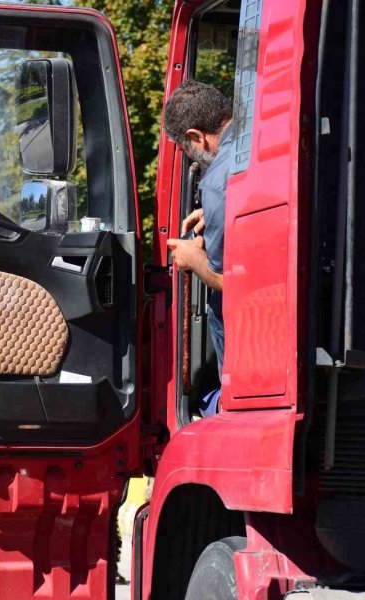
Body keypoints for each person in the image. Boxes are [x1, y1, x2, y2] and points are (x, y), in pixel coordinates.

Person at [163, 80, 233, 395]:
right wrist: (219, 213)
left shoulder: (217, 180)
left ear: (196, 137)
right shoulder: (258, 139)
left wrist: (193, 258)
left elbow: (231, 281)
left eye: (186, 150)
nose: (192, 159)